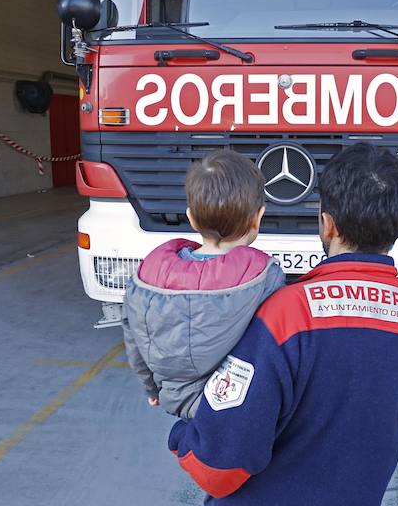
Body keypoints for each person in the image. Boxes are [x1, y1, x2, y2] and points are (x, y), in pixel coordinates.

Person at [168, 143, 398, 504]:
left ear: (327, 224)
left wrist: (181, 434)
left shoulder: (285, 316)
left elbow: (217, 467)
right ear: (397, 226)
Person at [122, 150, 285, 418]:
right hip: (238, 407)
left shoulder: (146, 275)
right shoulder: (264, 277)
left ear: (191, 218)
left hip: (174, 400)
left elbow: (133, 332)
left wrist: (152, 389)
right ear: (258, 218)